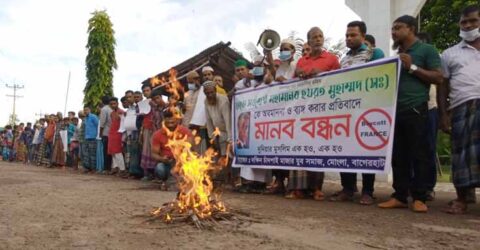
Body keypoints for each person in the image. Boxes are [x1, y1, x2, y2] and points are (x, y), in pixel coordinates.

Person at [378, 15, 443, 213]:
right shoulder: (396, 54)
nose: (393, 32)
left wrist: (412, 67)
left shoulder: (427, 50)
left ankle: (419, 197)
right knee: (399, 156)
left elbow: (438, 77)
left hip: (417, 110)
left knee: (420, 155)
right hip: (395, 112)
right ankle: (399, 195)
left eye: (398, 28)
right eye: (392, 28)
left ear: (411, 29)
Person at [330, 21, 384, 205]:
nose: (349, 38)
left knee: (366, 149)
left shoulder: (374, 53)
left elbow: (380, 77)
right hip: (346, 110)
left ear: (363, 36)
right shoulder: (343, 60)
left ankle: (368, 191)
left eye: (353, 35)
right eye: (347, 35)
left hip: (367, 109)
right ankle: (348, 188)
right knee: (345, 149)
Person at [439, 5, 480, 214]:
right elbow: (443, 85)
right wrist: (443, 114)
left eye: (473, 21)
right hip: (461, 106)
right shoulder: (449, 54)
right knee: (461, 155)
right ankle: (461, 199)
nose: (468, 25)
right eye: (464, 22)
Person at [294, 27, 341, 201]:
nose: (318, 39)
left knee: (318, 148)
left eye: (320, 36)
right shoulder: (301, 61)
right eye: (314, 37)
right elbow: (293, 82)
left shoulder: (332, 59)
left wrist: (321, 75)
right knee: (303, 147)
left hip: (324, 109)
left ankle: (316, 188)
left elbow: (340, 79)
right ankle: (301, 188)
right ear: (309, 40)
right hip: (304, 110)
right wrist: (297, 74)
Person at [417, 32, 438, 201]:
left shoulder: (431, 57)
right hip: (409, 109)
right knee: (410, 150)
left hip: (430, 108)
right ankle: (412, 187)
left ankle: (428, 187)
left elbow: (439, 79)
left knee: (428, 149)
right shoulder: (404, 58)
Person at [151, 108, 192, 190]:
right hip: (167, 164)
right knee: (160, 168)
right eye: (167, 117)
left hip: (183, 163)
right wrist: (162, 159)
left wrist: (180, 158)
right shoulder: (157, 134)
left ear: (177, 119)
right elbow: (154, 154)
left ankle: (184, 182)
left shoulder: (185, 131)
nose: (170, 120)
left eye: (172, 117)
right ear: (164, 119)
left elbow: (190, 149)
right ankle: (165, 181)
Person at [204, 80, 232, 163]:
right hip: (218, 134)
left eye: (211, 92)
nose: (210, 95)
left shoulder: (223, 100)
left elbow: (228, 120)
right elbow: (208, 120)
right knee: (220, 158)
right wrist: (212, 138)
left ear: (215, 91)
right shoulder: (206, 101)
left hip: (228, 132)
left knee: (229, 157)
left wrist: (230, 139)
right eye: (207, 93)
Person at [139, 83, 157, 180]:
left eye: (147, 90)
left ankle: (156, 174)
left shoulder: (156, 101)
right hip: (146, 128)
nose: (146, 92)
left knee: (155, 150)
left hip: (155, 129)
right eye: (144, 91)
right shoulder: (143, 104)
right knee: (146, 150)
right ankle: (147, 174)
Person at [107, 97, 127, 176]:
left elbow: (123, 124)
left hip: (119, 133)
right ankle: (115, 167)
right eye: (111, 104)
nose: (113, 105)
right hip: (112, 133)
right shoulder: (111, 113)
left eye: (114, 103)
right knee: (113, 152)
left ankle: (122, 169)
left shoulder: (121, 112)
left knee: (118, 152)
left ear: (117, 104)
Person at [83, 106, 99, 173]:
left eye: (87, 110)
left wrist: (97, 136)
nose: (85, 111)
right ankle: (87, 168)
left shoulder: (93, 116)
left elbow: (98, 125)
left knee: (92, 153)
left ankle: (93, 168)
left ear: (90, 110)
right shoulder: (85, 119)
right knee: (86, 154)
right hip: (86, 138)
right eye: (84, 110)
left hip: (93, 138)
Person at [99, 96, 113, 172]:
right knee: (110, 151)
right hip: (112, 132)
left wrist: (100, 134)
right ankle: (109, 167)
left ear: (102, 101)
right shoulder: (111, 108)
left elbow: (102, 123)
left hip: (106, 132)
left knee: (106, 151)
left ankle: (106, 168)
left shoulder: (104, 109)